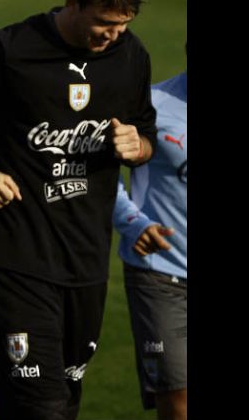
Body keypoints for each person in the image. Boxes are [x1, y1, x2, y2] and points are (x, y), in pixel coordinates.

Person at [0, 0, 157, 420]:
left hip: (87, 262)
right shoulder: (7, 51)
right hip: (15, 258)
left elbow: (145, 133)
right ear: (71, 1)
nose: (112, 35)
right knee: (39, 409)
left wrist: (138, 146)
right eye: (103, 23)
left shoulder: (132, 56)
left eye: (122, 26)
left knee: (64, 405)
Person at [113, 67, 187, 420]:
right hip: (162, 274)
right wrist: (132, 222)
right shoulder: (152, 105)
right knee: (178, 404)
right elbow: (100, 172)